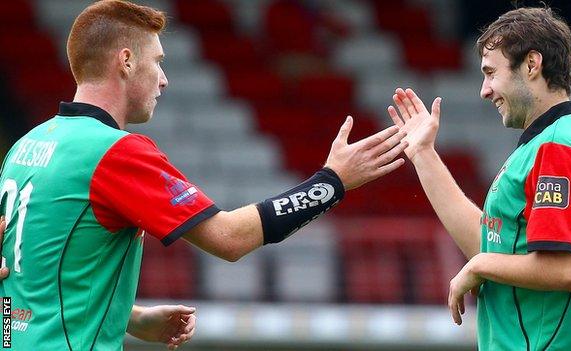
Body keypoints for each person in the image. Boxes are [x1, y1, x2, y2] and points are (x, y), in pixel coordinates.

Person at [0, 1, 407, 350]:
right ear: (126, 61)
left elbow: (35, 280)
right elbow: (229, 239)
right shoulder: (114, 153)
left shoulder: (25, 147)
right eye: (157, 61)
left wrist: (132, 316)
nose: (164, 78)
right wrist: (331, 182)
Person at [388, 6, 571, 350]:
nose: (484, 90)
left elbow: (570, 269)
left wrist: (481, 266)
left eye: (491, 73)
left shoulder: (558, 146)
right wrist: (423, 155)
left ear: (531, 64)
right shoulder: (553, 142)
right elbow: (490, 244)